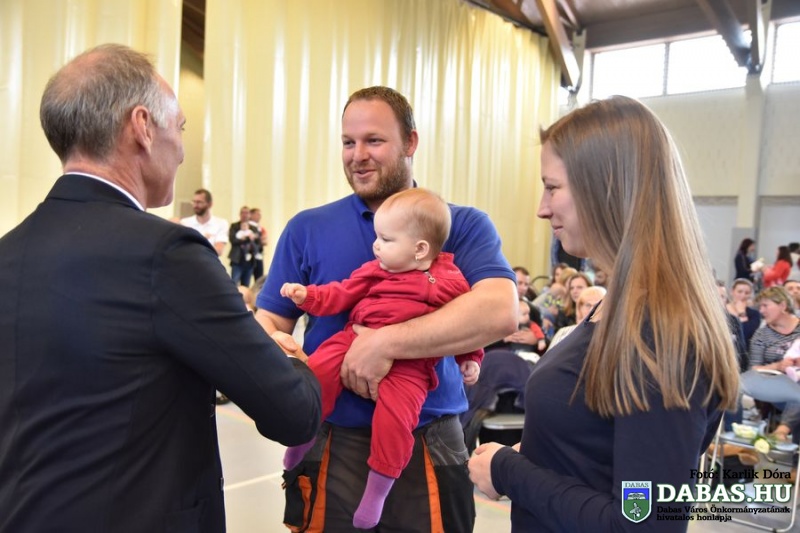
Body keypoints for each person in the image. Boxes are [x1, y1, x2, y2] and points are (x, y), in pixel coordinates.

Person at [0, 44, 321, 532]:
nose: (183, 149)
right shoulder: (167, 254)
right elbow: (292, 414)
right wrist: (292, 359)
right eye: (181, 127)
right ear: (143, 127)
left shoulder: (10, 252)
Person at [468, 96, 739, 531]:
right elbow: (600, 451)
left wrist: (509, 472)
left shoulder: (658, 332)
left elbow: (641, 521)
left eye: (552, 187)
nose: (542, 207)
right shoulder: (622, 307)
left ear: (606, 189)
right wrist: (541, 453)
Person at [254, 86, 517, 532]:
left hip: (429, 439)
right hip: (331, 437)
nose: (358, 155)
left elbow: (499, 310)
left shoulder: (459, 224)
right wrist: (277, 350)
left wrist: (383, 344)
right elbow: (271, 319)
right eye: (348, 142)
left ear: (410, 142)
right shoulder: (307, 228)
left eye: (373, 140)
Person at [280, 188, 483, 529]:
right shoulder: (375, 270)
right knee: (318, 373)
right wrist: (308, 296)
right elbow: (341, 293)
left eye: (386, 240)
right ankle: (302, 440)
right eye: (377, 237)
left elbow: (466, 322)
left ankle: (376, 492)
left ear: (420, 249)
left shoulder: (449, 281)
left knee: (396, 420)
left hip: (412, 365)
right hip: (354, 338)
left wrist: (470, 357)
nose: (375, 246)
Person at [747, 287, 800, 442]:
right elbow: (753, 370)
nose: (761, 311)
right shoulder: (761, 335)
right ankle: (783, 431)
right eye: (760, 306)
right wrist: (777, 366)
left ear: (782, 305)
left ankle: (784, 433)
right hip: (774, 386)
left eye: (766, 305)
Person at [547, 285, 607, 350]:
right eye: (588, 305)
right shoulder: (564, 333)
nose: (591, 310)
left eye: (597, 306)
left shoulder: (609, 336)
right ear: (580, 308)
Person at [181, 188, 229, 256]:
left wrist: (195, 244)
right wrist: (204, 241)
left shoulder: (221, 223)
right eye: (194, 202)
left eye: (199, 202)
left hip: (210, 261)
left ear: (210, 204)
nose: (195, 205)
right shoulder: (185, 223)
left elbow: (218, 251)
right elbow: (183, 248)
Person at [228, 205, 259, 286]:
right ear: (240, 214)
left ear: (250, 215)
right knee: (234, 283)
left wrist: (245, 239)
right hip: (237, 260)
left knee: (246, 285)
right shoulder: (234, 226)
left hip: (250, 261)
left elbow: (257, 242)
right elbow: (233, 240)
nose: (244, 215)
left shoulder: (253, 228)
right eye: (243, 213)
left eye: (247, 213)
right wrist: (248, 238)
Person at [727, 278, 762, 348]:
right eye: (739, 292)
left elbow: (745, 334)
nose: (743, 296)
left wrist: (742, 313)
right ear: (732, 292)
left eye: (747, 293)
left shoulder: (754, 314)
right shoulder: (722, 309)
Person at [250, 207, 268, 280]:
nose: (259, 216)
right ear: (251, 215)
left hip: (259, 255)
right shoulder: (247, 226)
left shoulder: (260, 228)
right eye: (257, 214)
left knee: (259, 279)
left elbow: (265, 241)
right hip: (250, 256)